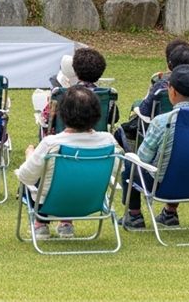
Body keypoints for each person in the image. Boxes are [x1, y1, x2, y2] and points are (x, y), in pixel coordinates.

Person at [15, 85, 119, 239]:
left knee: (38, 176)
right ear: (98, 114)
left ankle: (40, 224)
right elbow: (116, 171)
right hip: (90, 200)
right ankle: (66, 223)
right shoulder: (108, 141)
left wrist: (29, 154)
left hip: (50, 202)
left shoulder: (51, 143)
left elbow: (26, 176)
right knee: (73, 176)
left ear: (62, 114)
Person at [121, 65, 189, 230]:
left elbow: (142, 159)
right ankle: (170, 212)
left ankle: (134, 215)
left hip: (163, 184)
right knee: (183, 161)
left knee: (130, 163)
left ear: (171, 91)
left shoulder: (162, 121)